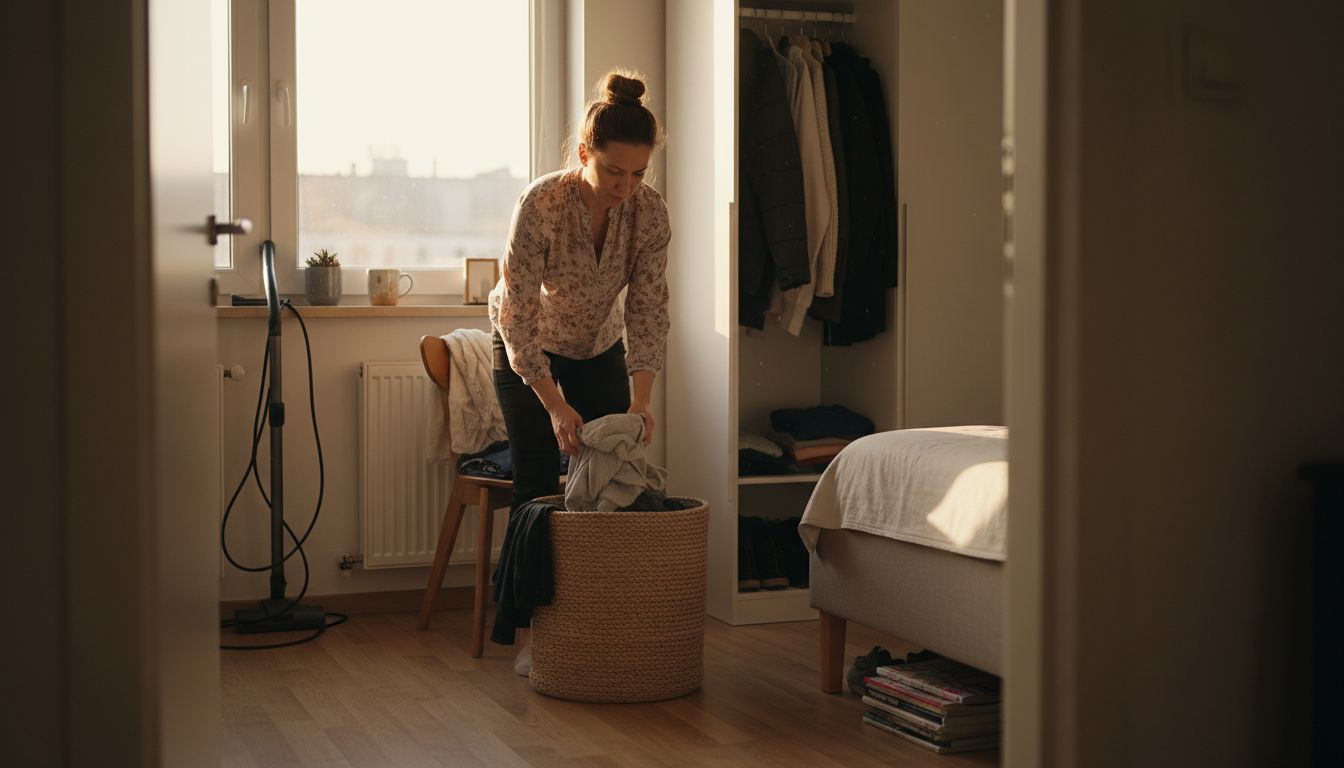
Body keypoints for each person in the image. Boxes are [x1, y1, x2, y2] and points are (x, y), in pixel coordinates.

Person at [488, 69, 670, 674]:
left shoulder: (649, 213)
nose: (626, 186)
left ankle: (596, 618)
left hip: (598, 346)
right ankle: (527, 634)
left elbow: (647, 308)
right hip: (527, 348)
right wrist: (554, 404)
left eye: (639, 172)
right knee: (540, 482)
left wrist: (641, 400)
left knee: (608, 480)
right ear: (583, 153)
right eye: (614, 171)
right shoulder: (541, 203)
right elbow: (517, 316)